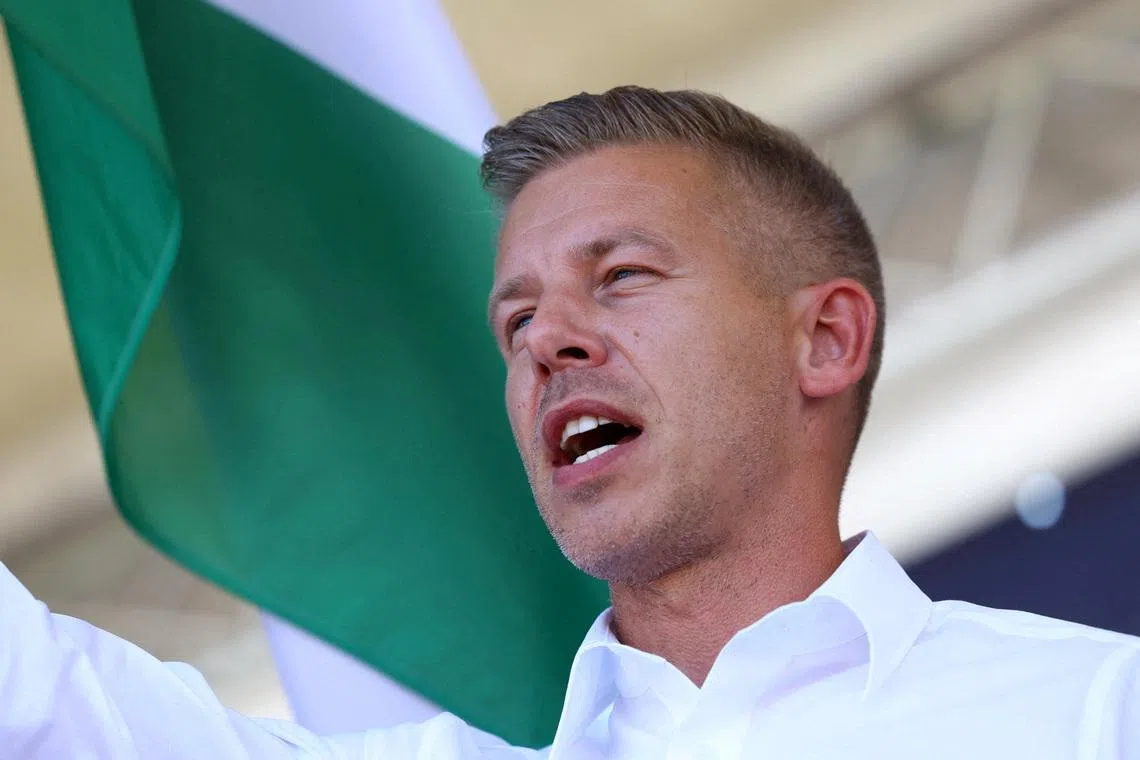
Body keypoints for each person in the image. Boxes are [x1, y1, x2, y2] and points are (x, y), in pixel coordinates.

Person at [2, 86, 1137, 759]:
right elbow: (46, 703)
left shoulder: (1091, 714)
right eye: (515, 322)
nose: (547, 339)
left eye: (623, 275)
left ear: (826, 339)